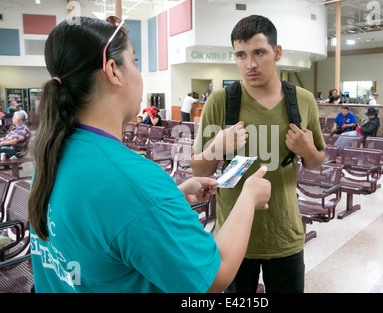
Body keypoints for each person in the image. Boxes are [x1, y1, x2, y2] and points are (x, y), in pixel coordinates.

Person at [28, 16, 271, 293]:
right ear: (113, 71)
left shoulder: (51, 154)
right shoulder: (132, 179)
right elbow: (214, 278)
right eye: (134, 61)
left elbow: (101, 227)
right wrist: (249, 196)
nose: (138, 72)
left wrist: (172, 198)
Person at [190, 15, 325, 293]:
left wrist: (307, 150)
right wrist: (217, 147)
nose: (249, 64)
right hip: (233, 237)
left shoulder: (302, 101)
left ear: (276, 52)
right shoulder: (220, 101)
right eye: (241, 55)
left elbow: (315, 163)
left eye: (259, 52)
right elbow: (199, 170)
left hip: (284, 235)